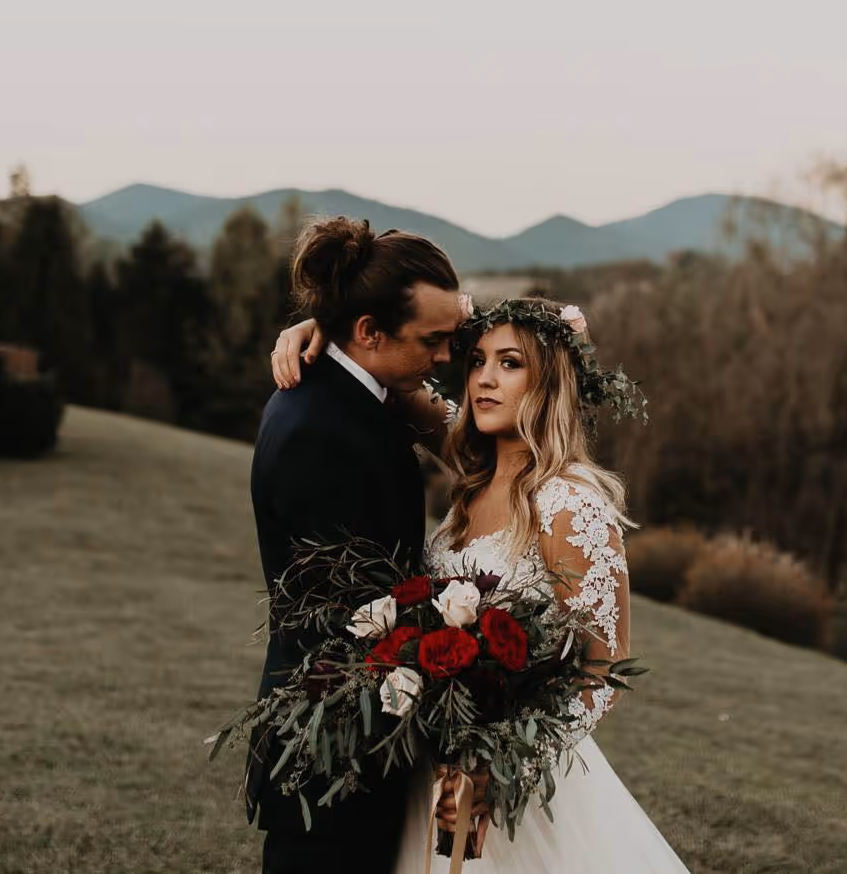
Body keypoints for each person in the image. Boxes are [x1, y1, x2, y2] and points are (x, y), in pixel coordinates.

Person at [271, 296, 690, 874]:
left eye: (511, 363)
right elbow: (385, 362)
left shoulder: (570, 503)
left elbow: (602, 669)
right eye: (477, 361)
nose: (485, 379)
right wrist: (325, 328)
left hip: (513, 785)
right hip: (427, 773)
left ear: (550, 382)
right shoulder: (472, 472)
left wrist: (504, 764)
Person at [249, 216, 465, 874]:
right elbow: (357, 617)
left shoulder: (354, 390)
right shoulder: (322, 428)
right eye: (433, 341)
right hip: (335, 756)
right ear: (369, 332)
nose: (447, 358)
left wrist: (323, 320)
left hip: (360, 747)